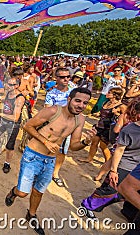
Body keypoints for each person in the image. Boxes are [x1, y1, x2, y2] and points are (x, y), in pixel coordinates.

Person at [5, 88, 95, 235]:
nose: (81, 105)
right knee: (23, 193)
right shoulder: (53, 111)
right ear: (69, 99)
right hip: (33, 155)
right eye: (78, 100)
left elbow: (74, 145)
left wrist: (86, 141)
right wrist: (46, 142)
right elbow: (28, 126)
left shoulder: (80, 119)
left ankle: (31, 215)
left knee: (38, 191)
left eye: (85, 103)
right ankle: (14, 191)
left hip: (50, 160)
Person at [0, 75, 25, 173]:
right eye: (9, 84)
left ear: (17, 85)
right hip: (3, 120)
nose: (10, 86)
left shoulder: (19, 99)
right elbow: (4, 98)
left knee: (9, 146)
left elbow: (15, 118)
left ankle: (7, 163)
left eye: (13, 84)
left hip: (13, 124)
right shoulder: (8, 93)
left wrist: (0, 114)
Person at [44, 67, 72, 188]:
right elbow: (47, 110)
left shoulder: (74, 91)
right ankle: (44, 172)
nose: (66, 79)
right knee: (48, 149)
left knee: (62, 152)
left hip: (69, 128)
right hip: (54, 128)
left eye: (68, 76)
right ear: (56, 78)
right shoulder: (51, 94)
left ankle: (55, 174)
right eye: (62, 77)